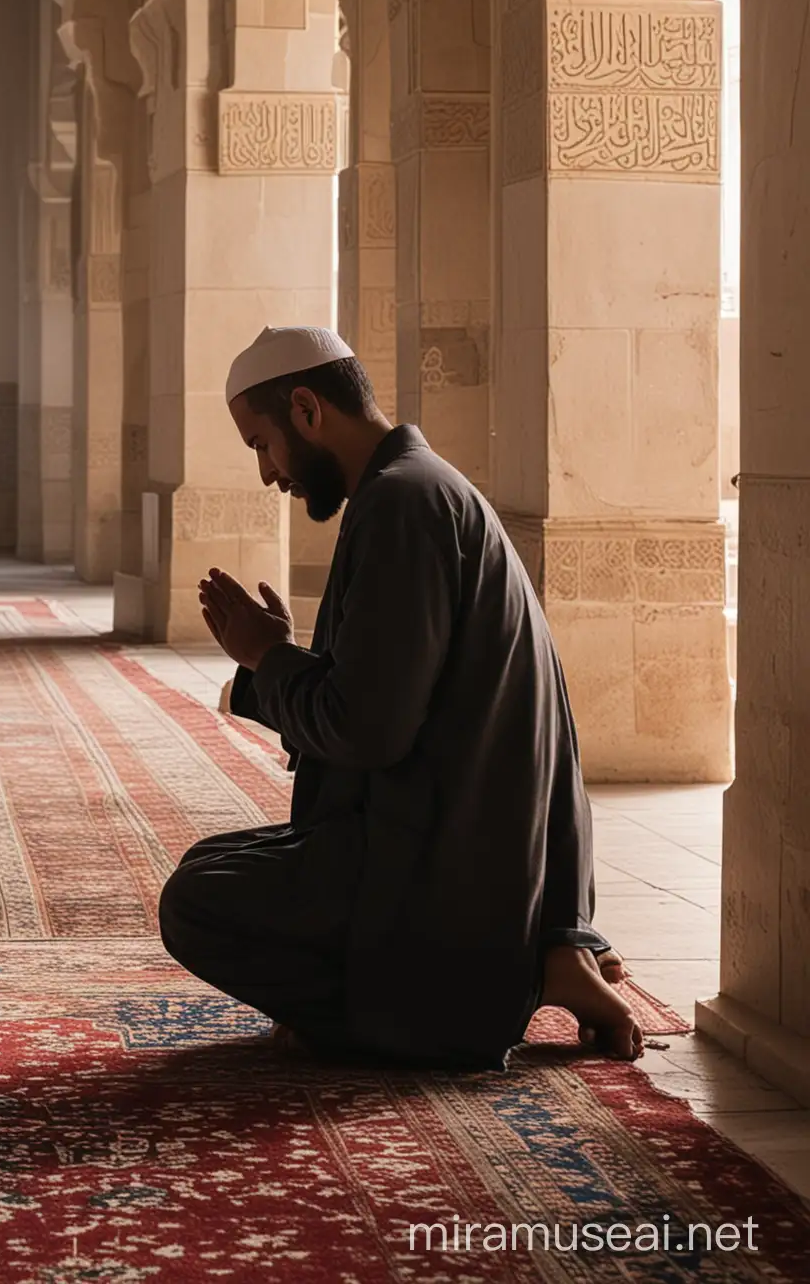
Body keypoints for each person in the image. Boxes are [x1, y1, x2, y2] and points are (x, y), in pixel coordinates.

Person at [157, 325, 642, 1068]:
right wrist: (283, 659)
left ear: (307, 409)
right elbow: (386, 704)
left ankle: (452, 1002)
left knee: (196, 903)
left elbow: (366, 732)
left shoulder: (400, 506)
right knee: (213, 863)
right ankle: (545, 953)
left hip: (444, 860)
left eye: (261, 443)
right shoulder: (417, 488)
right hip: (472, 844)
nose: (266, 473)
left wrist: (267, 656)